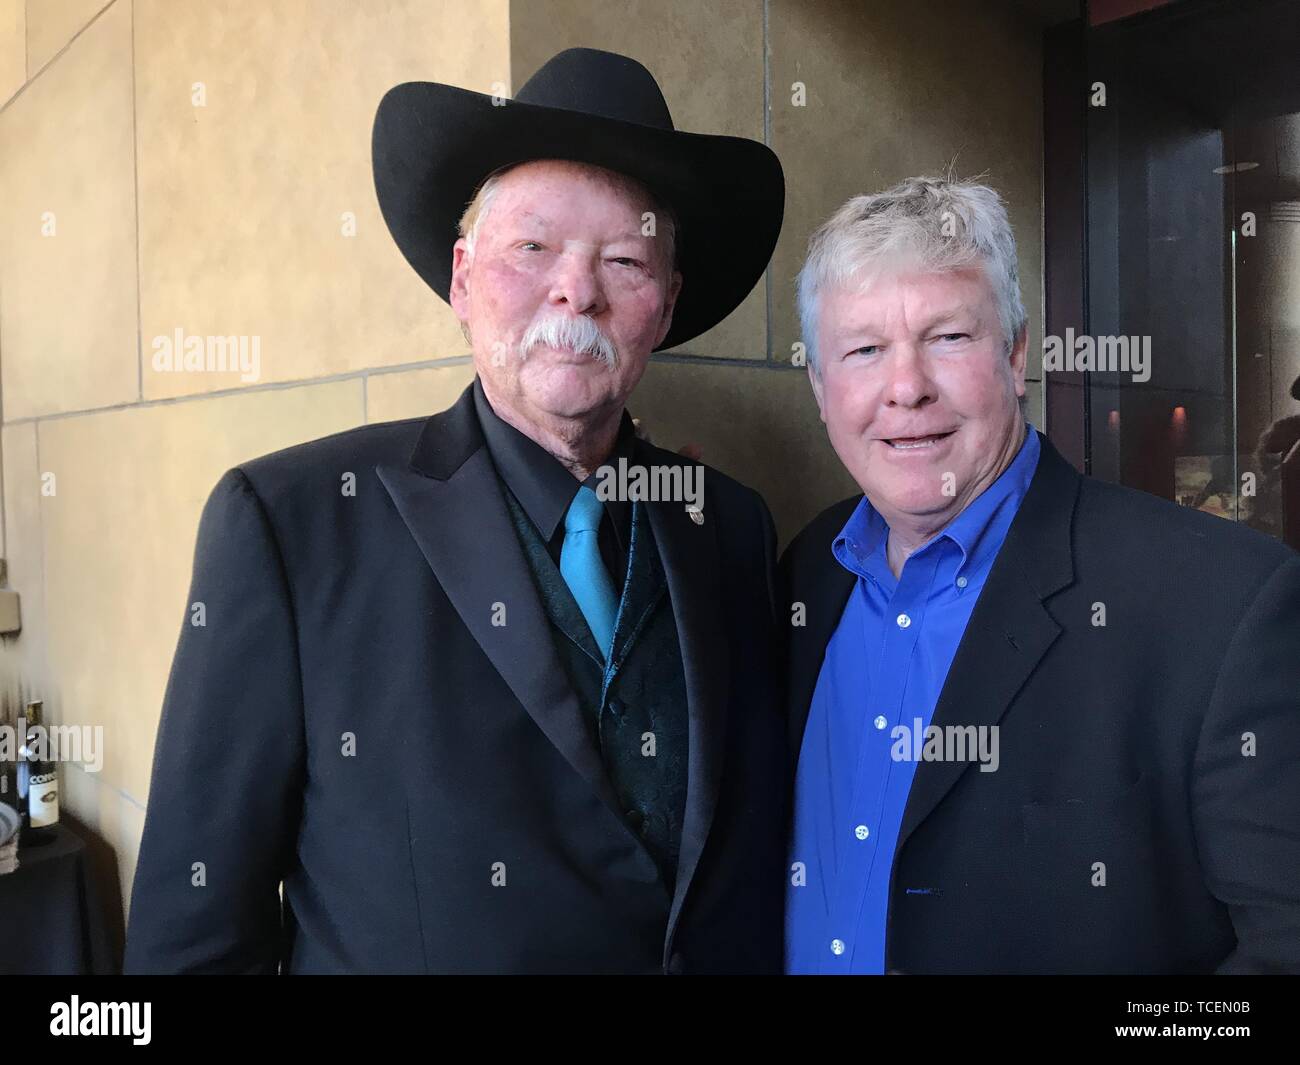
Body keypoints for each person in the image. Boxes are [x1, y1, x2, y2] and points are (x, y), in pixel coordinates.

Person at [125, 48, 787, 974]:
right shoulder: (288, 527)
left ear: (666, 305)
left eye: (626, 259)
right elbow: (190, 943)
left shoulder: (734, 529)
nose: (576, 289)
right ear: (462, 278)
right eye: (533, 246)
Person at [783, 175, 1300, 974]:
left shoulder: (1224, 603)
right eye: (862, 350)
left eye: (948, 337)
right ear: (821, 387)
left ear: (1017, 355)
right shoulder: (801, 580)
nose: (906, 387)